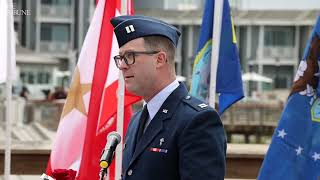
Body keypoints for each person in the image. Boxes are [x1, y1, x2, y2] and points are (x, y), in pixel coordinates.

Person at [111, 15, 227, 180]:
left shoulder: (198, 120)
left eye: (130, 56)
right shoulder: (137, 119)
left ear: (160, 59)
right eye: (120, 58)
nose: (122, 66)